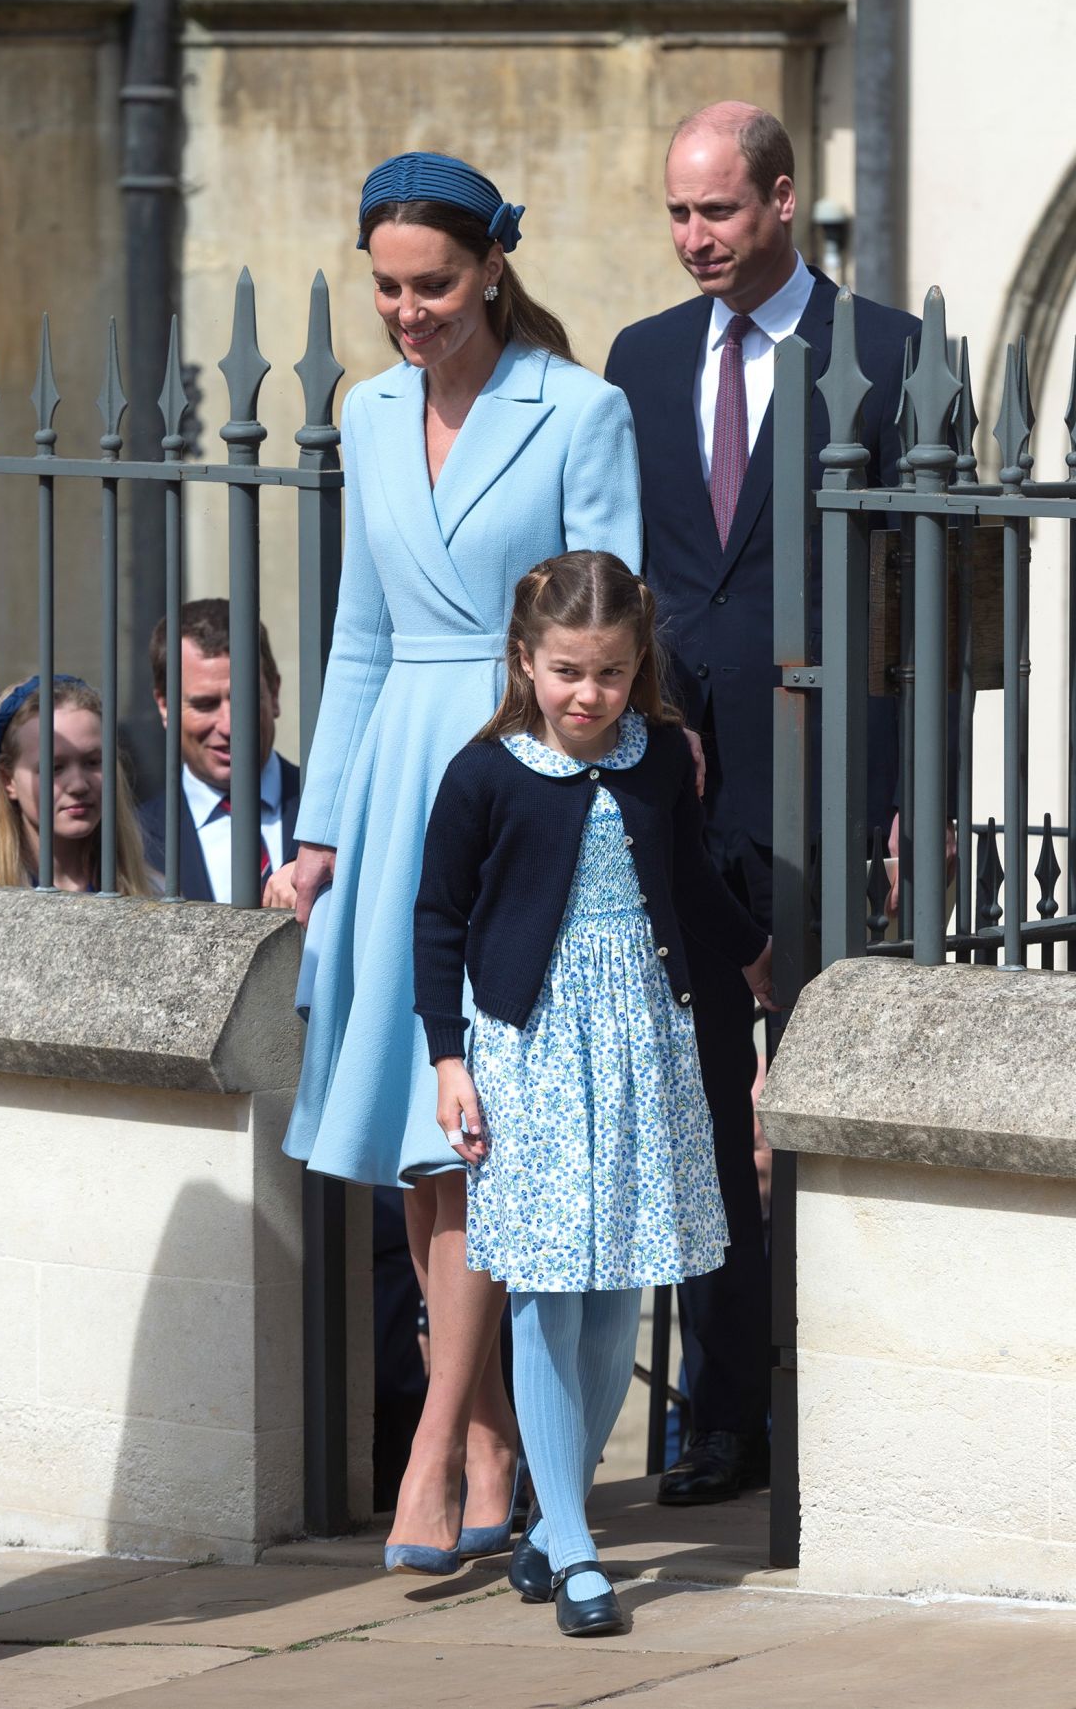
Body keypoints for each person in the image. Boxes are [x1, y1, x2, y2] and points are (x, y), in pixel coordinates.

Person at [285, 152, 643, 1570]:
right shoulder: (365, 413)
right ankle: (488, 1443)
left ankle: (434, 1452)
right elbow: (361, 635)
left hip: (519, 780)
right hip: (388, 793)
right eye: (384, 286)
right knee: (430, 1150)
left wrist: (563, 795)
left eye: (432, 283)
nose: (405, 311)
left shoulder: (583, 409)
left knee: (484, 1139)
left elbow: (609, 640)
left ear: (493, 267)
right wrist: (319, 831)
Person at [605, 102, 918, 1505]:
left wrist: (912, 794)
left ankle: (846, 1396)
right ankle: (728, 1407)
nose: (693, 240)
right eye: (677, 213)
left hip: (834, 780)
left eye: (716, 213)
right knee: (700, 1101)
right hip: (689, 785)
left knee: (824, 1095)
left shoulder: (890, 355)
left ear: (784, 201)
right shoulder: (644, 357)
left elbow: (924, 597)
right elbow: (638, 573)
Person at [413, 551, 774, 1634]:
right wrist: (447, 1057)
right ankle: (573, 1546)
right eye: (566, 669)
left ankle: (549, 1518)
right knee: (545, 1289)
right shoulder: (483, 775)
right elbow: (436, 919)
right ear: (524, 661)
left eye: (609, 673)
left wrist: (758, 958)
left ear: (636, 668)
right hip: (528, 1051)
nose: (586, 693)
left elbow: (686, 884)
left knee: (622, 1287)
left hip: (641, 1043)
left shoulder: (659, 757)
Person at [141, 600, 299, 907]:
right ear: (164, 706)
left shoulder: (337, 812)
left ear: (275, 693)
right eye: (204, 704)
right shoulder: (134, 840)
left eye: (245, 698)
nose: (229, 726)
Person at [0, 675, 154, 895]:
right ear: (8, 780)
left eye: (93, 762)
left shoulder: (152, 891)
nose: (78, 785)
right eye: (54, 768)